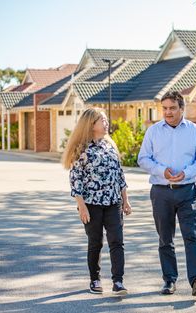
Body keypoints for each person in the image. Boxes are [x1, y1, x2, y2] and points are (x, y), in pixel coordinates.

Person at [138, 91, 196, 296]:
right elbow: (143, 159)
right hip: (161, 192)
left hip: (188, 191)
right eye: (165, 108)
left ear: (182, 109)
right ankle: (169, 280)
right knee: (165, 239)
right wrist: (162, 171)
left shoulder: (195, 131)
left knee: (191, 236)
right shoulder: (153, 132)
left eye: (172, 108)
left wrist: (186, 173)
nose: (168, 112)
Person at [61, 108, 132, 295]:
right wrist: (81, 206)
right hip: (91, 204)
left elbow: (120, 175)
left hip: (113, 202)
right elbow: (76, 181)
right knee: (96, 242)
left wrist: (125, 200)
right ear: (91, 124)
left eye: (106, 120)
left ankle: (118, 281)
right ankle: (95, 279)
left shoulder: (110, 146)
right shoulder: (81, 149)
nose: (106, 123)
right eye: (103, 120)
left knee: (117, 241)